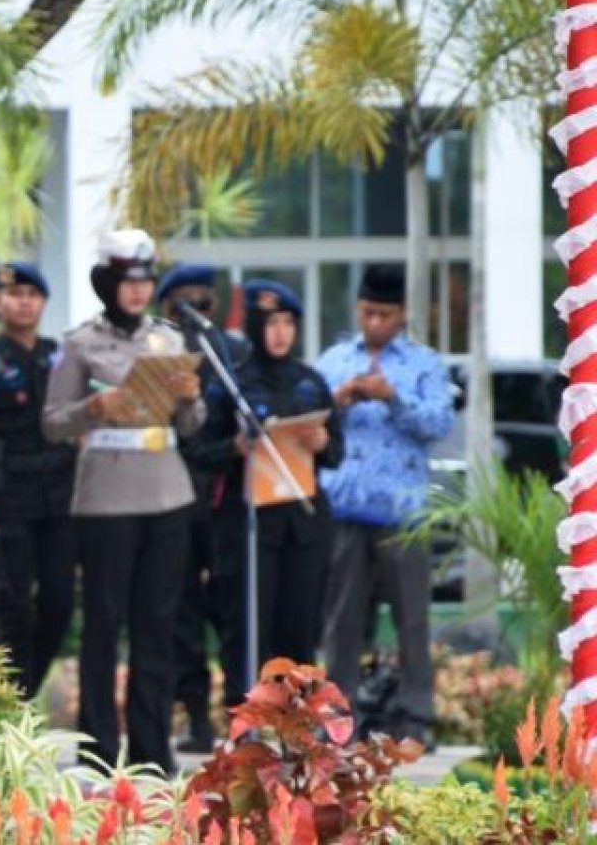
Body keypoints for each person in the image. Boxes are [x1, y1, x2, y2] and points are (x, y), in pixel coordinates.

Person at [43, 230, 204, 773]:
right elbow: (52, 423)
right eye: (127, 282)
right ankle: (97, 749)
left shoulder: (169, 340)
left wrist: (191, 399)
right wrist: (94, 406)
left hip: (167, 490)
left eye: (144, 282)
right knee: (104, 625)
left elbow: (192, 426)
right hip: (106, 497)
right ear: (109, 285)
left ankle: (153, 749)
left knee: (157, 624)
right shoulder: (81, 344)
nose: (138, 292)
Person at [187, 280, 343, 707]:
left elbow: (336, 454)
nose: (280, 333)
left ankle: (299, 731)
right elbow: (199, 451)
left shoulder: (311, 383)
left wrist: (321, 442)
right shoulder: (231, 385)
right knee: (247, 628)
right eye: (271, 323)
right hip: (249, 525)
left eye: (288, 323)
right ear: (256, 327)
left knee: (300, 626)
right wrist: (234, 448)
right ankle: (247, 726)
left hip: (303, 522)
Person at [316, 265, 452, 744]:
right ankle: (338, 719)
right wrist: (341, 399)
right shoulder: (334, 360)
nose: (375, 322)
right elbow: (309, 420)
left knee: (412, 617)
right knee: (342, 618)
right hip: (345, 509)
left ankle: (415, 717)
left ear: (401, 315)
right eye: (368, 312)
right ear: (358, 308)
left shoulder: (424, 364)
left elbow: (438, 423)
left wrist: (393, 397)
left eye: (385, 314)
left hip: (403, 514)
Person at [0, 261, 71, 698]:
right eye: (14, 294)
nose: (24, 302)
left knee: (59, 603)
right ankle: (10, 698)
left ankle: (25, 688)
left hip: (59, 496)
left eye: (32, 294)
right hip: (7, 495)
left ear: (44, 302)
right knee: (9, 604)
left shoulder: (61, 356)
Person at [154, 263, 240, 752]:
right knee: (181, 612)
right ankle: (196, 720)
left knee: (231, 609)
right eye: (181, 306)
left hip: (224, 499)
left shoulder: (232, 353)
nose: (192, 316)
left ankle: (238, 713)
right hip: (173, 494)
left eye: (201, 305)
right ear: (165, 310)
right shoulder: (154, 356)